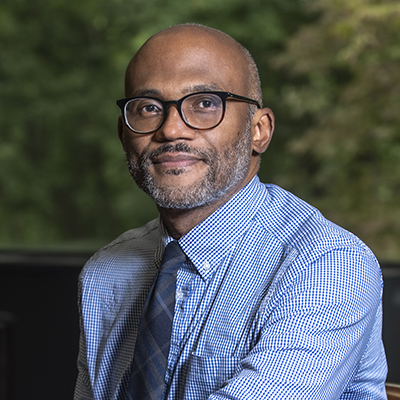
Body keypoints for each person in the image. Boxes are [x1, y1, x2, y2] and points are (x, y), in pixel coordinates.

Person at [74, 24, 387, 400]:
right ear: (124, 134)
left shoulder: (327, 265)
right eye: (148, 108)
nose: (172, 129)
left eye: (205, 103)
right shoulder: (104, 274)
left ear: (259, 131)